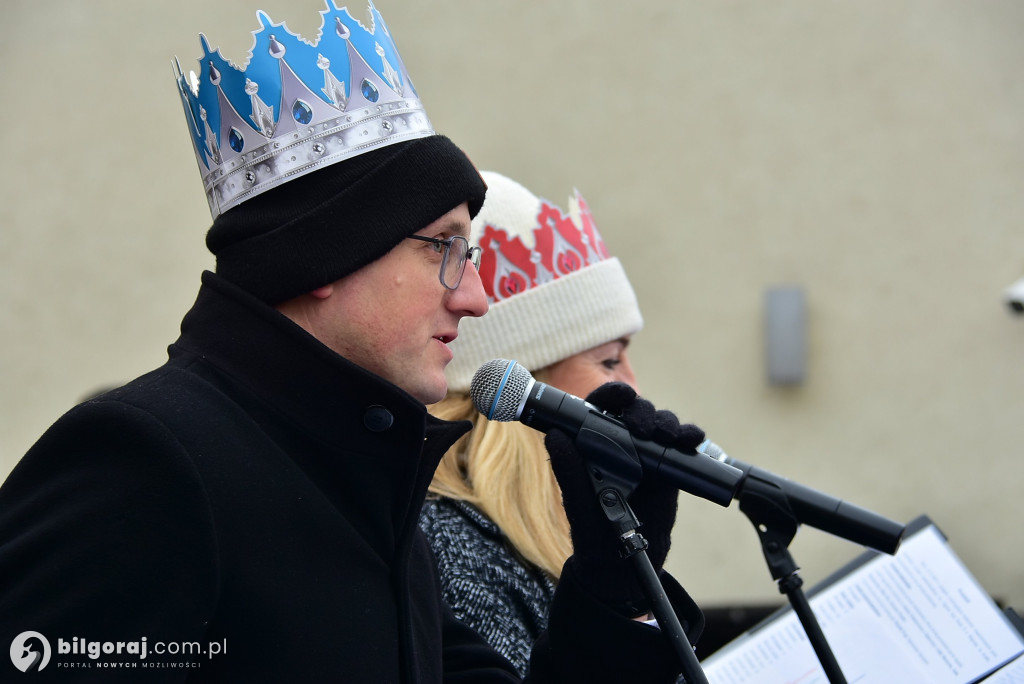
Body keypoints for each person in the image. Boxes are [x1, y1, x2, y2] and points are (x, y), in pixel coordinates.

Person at [0, 2, 704, 681]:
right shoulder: (148, 462)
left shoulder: (373, 493)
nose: (475, 297)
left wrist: (614, 590)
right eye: (445, 249)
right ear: (328, 256)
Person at [420, 171, 701, 676]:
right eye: (610, 361)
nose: (634, 387)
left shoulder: (543, 539)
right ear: (524, 389)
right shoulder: (450, 548)